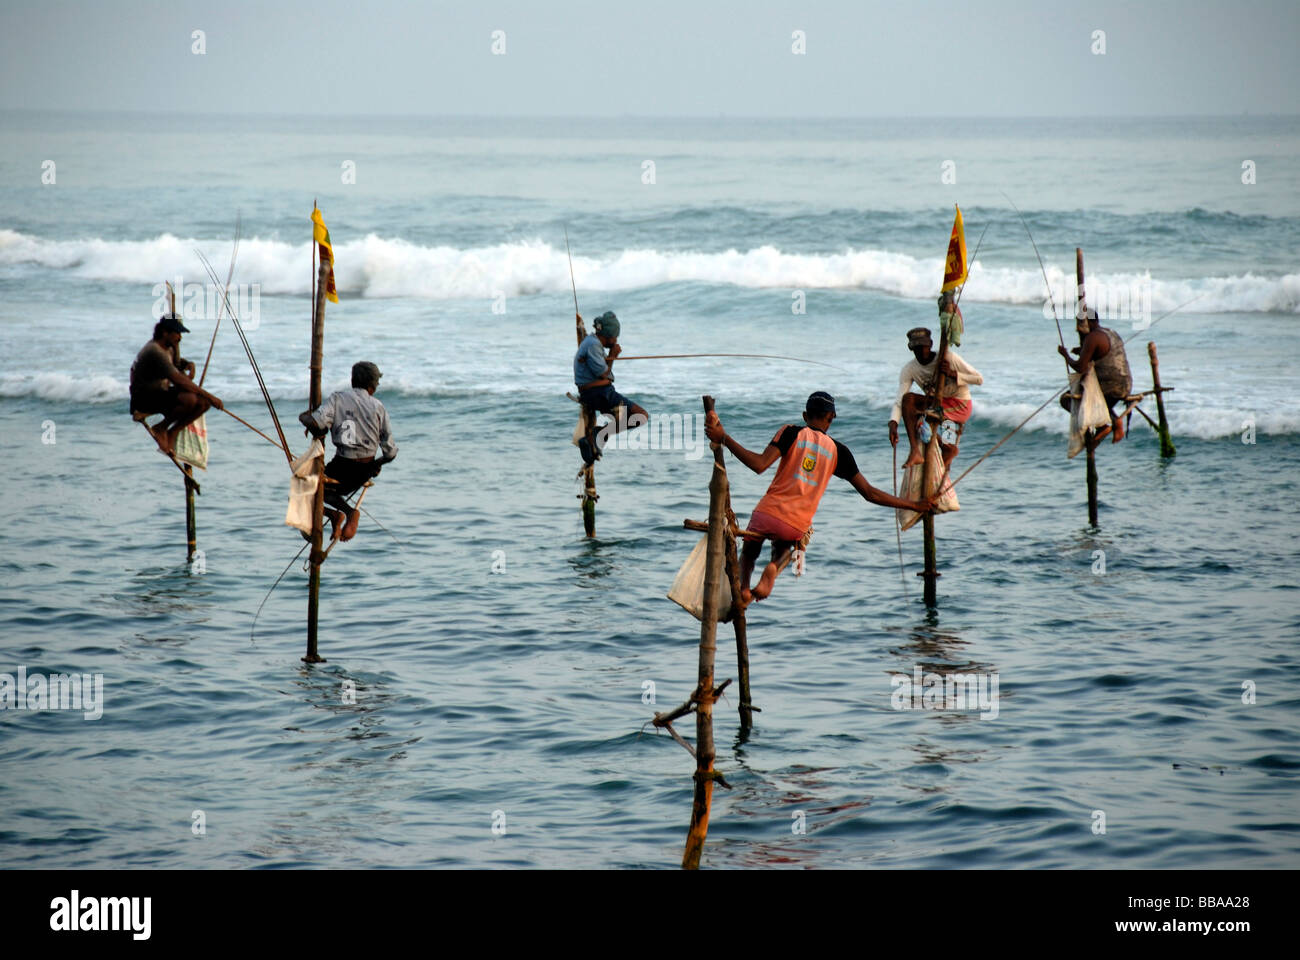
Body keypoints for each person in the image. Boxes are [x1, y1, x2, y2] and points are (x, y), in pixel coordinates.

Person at [705, 392, 931, 605]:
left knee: (749, 551)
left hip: (767, 513)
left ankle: (744, 587)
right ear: (831, 418)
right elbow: (870, 493)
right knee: (788, 547)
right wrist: (914, 504)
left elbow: (759, 465)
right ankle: (775, 566)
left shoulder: (790, 432)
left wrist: (724, 437)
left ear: (805, 416)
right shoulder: (838, 451)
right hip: (795, 525)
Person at [298, 361, 398, 542]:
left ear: (352, 381)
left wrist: (303, 417)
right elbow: (390, 453)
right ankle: (345, 514)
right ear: (372, 386)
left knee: (304, 489)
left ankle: (344, 513)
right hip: (363, 472)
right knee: (322, 490)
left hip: (341, 467)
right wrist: (377, 464)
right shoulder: (378, 407)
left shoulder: (338, 398)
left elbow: (317, 425)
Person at [888, 320, 983, 471]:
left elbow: (978, 379)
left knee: (920, 408)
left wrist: (953, 374)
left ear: (931, 345)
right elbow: (900, 400)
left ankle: (945, 449)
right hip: (937, 406)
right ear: (911, 349)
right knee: (910, 404)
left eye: (923, 347)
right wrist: (893, 422)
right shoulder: (910, 369)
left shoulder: (948, 358)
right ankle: (921, 451)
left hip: (959, 405)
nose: (921, 352)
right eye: (917, 348)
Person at [129, 314, 223, 455]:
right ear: (165, 332)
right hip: (144, 398)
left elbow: (175, 363)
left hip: (160, 393)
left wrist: (187, 364)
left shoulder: (169, 347)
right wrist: (210, 396)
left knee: (204, 403)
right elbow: (178, 380)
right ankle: (161, 428)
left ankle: (174, 431)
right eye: (177, 333)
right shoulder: (154, 351)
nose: (180, 337)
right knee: (190, 399)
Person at [573, 311, 649, 464]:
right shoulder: (593, 345)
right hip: (599, 393)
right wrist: (613, 355)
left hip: (600, 393)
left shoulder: (592, 343)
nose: (616, 341)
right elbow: (604, 374)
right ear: (608, 335)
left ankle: (594, 439)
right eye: (615, 337)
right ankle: (599, 434)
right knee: (641, 416)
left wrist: (610, 356)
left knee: (623, 419)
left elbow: (603, 373)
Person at [1057, 307, 1132, 442]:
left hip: (1111, 386)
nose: (1077, 329)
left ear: (1088, 322)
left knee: (1066, 399)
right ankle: (1115, 421)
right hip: (1125, 384)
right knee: (1103, 403)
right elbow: (1103, 352)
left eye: (1079, 324)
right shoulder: (1110, 332)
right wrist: (1082, 350)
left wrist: (1065, 355)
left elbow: (1080, 367)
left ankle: (1103, 425)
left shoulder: (1092, 337)